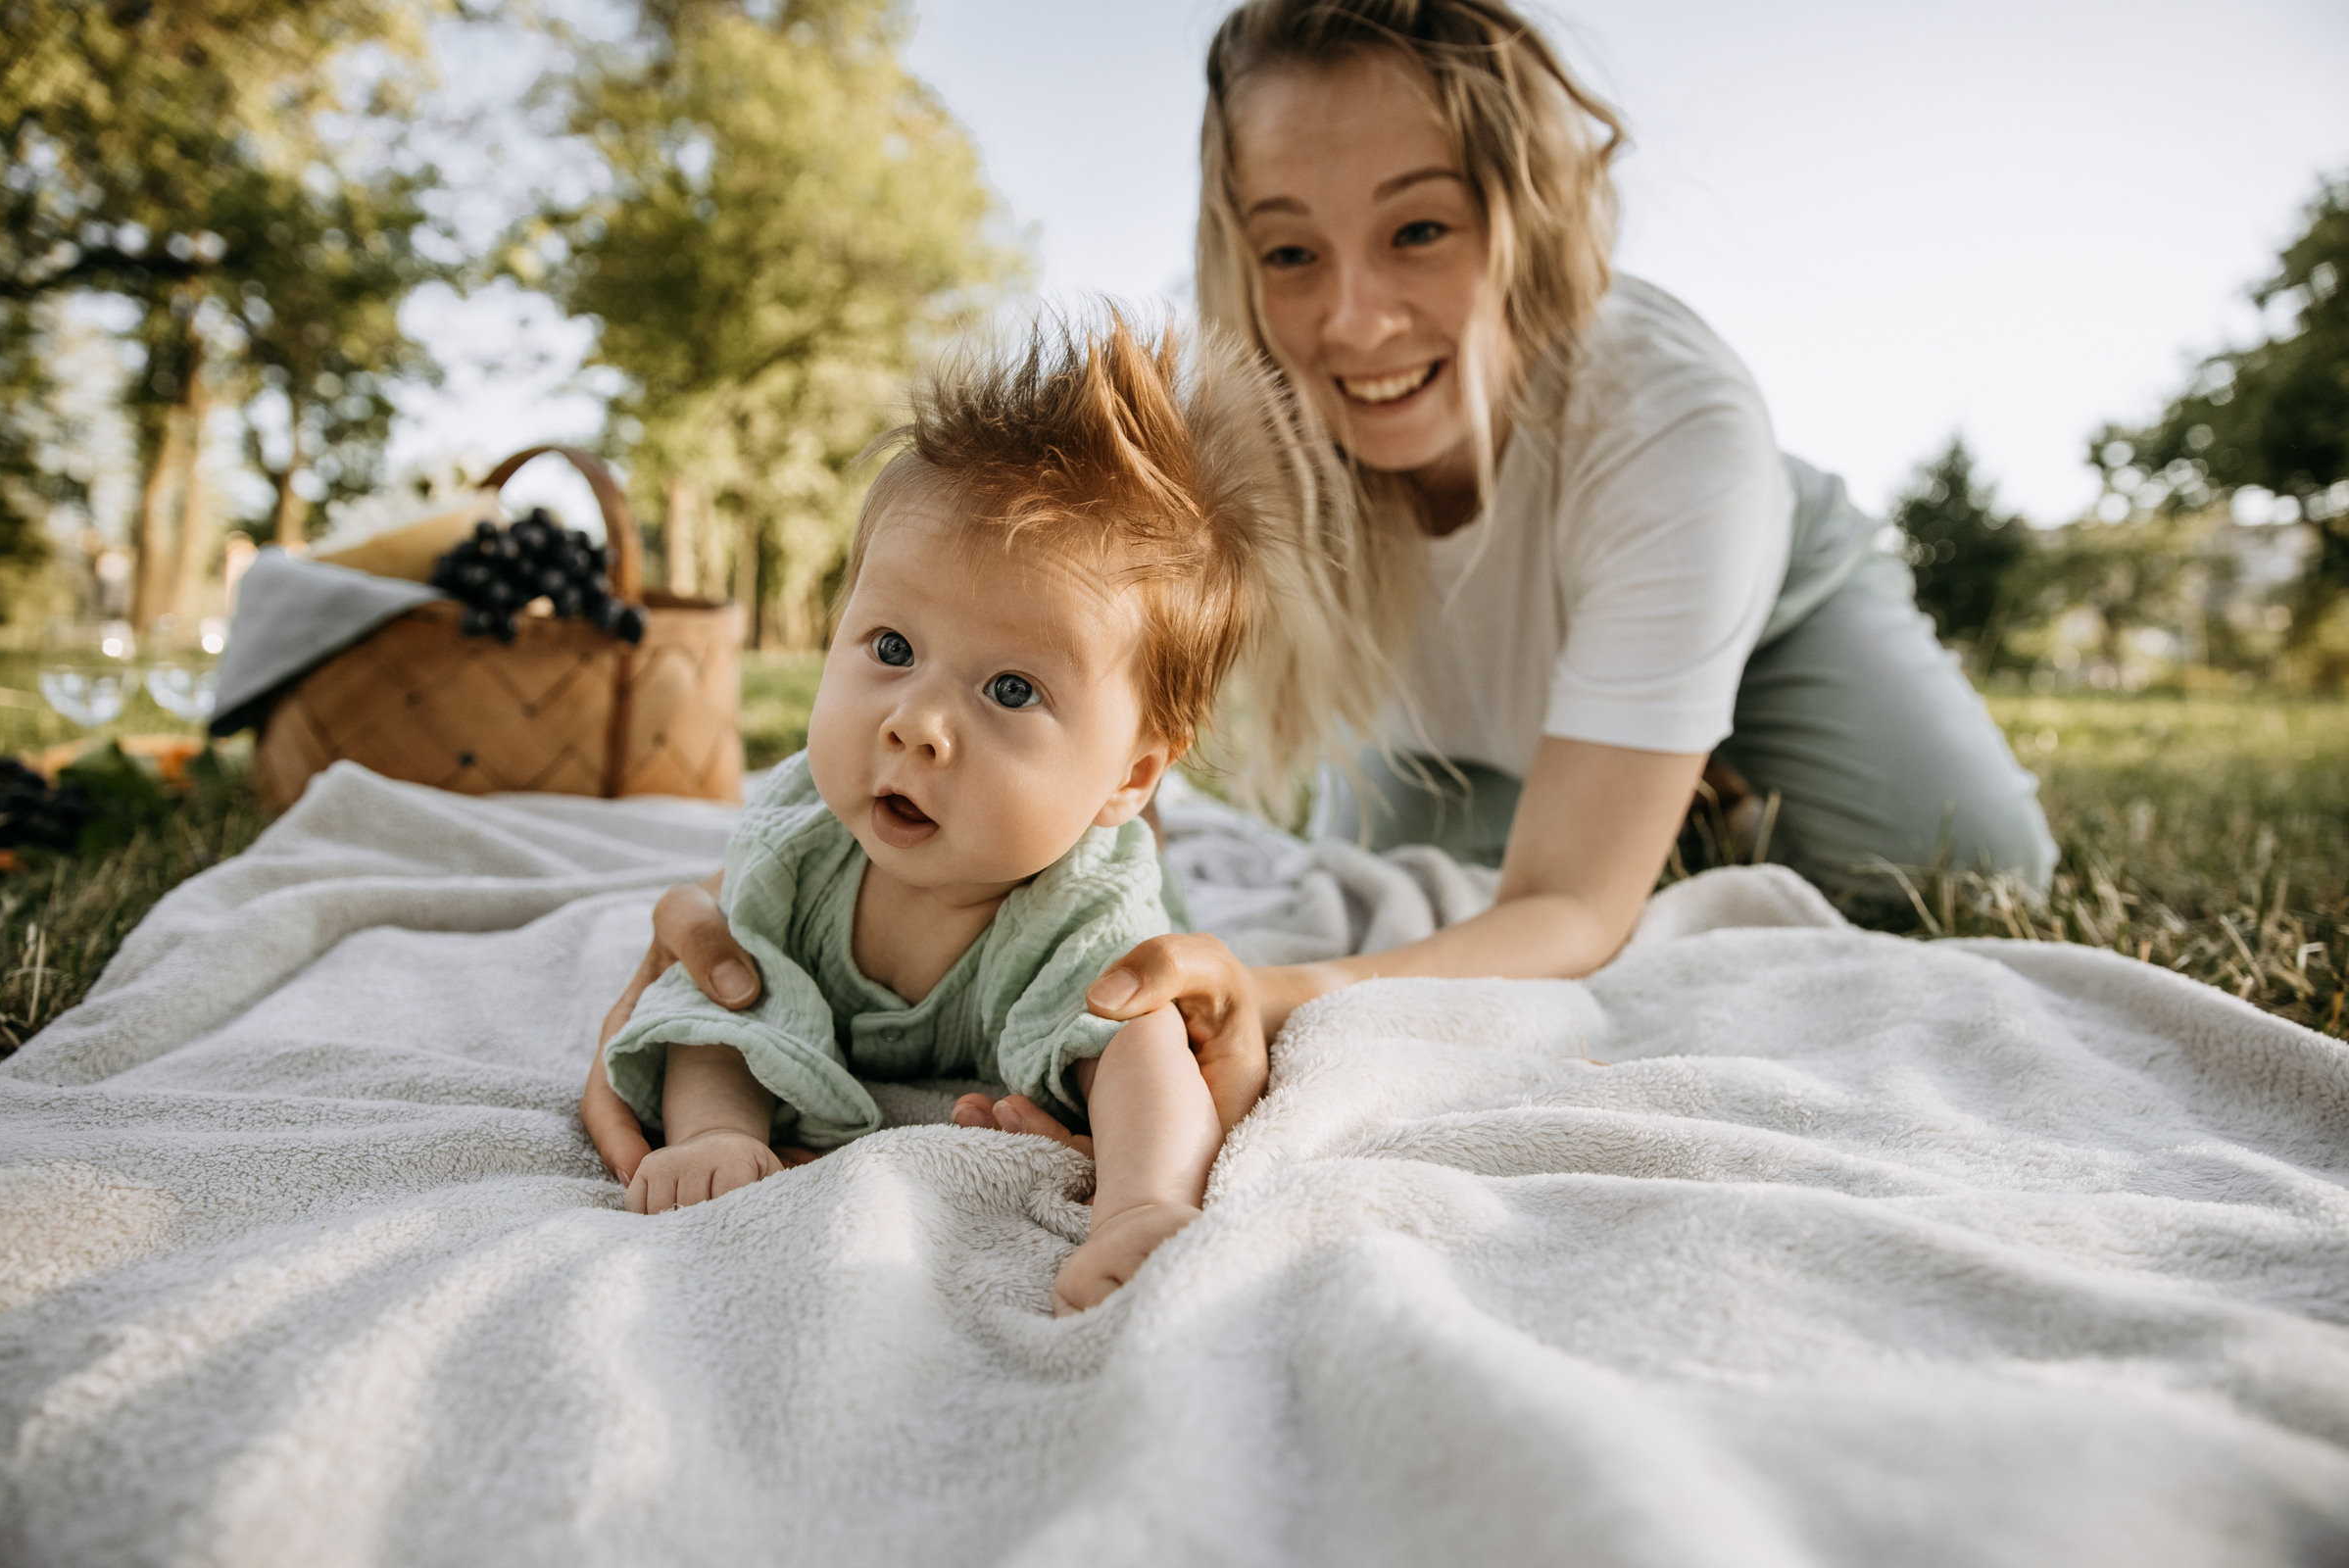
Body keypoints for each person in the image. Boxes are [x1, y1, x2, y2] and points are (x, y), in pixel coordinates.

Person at [585, 0, 2058, 1167]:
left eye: (1420, 228)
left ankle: (1678, 764)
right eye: (1291, 249)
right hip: (1461, 720)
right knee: (1438, 895)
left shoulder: (1671, 420)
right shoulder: (1232, 425)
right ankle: (1644, 792)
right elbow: (1092, 730)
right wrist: (781, 925)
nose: (1351, 320)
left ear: (1526, 213)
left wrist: (1284, 993)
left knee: (1962, 863)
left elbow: (1568, 906)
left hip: (1767, 613)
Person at [596, 311, 1314, 1313]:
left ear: (1134, 773)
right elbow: (723, 1005)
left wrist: (1141, 1202)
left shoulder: (1081, 909)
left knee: (1130, 1011)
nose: (916, 724)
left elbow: (1144, 1057)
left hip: (1085, 880)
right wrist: (717, 1132)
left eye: (1012, 690)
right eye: (891, 649)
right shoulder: (799, 849)